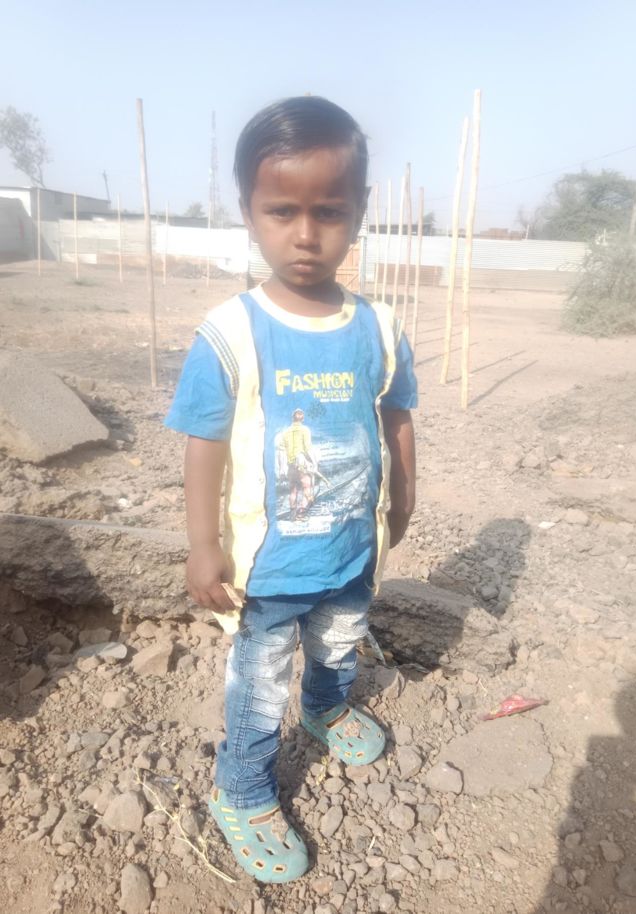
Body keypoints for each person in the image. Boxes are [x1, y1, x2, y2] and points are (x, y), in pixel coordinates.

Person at [165, 96, 417, 883]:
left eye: (329, 212)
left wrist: (405, 498)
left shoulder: (378, 329)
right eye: (282, 211)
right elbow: (204, 442)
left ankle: (327, 705)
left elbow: (396, 417)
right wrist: (202, 543)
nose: (306, 234)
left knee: (340, 642)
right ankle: (242, 788)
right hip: (269, 570)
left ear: (358, 211)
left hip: (350, 549)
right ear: (249, 211)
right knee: (259, 684)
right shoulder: (230, 333)